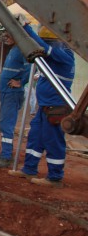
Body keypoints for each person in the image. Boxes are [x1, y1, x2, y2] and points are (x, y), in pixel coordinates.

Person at [9, 24, 74, 188]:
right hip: (44, 107)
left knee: (53, 141)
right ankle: (29, 168)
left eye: (48, 41)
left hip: (56, 107)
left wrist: (27, 30)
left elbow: (43, 47)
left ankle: (55, 177)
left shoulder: (64, 55)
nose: (46, 45)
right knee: (35, 138)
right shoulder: (52, 59)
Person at [0, 31, 31, 168]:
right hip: (6, 92)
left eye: (8, 35)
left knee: (6, 124)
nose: (5, 38)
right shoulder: (14, 50)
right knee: (3, 123)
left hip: (12, 93)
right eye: (5, 35)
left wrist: (20, 82)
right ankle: (4, 153)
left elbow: (30, 68)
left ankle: (6, 156)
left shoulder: (21, 50)